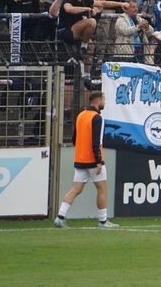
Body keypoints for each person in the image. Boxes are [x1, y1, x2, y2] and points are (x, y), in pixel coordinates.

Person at [54, 91, 118, 229]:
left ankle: (60, 217)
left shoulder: (80, 115)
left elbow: (74, 138)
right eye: (104, 100)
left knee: (75, 189)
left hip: (80, 158)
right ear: (98, 101)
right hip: (93, 160)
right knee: (102, 189)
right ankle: (102, 221)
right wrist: (98, 161)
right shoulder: (97, 118)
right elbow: (96, 142)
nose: (104, 103)